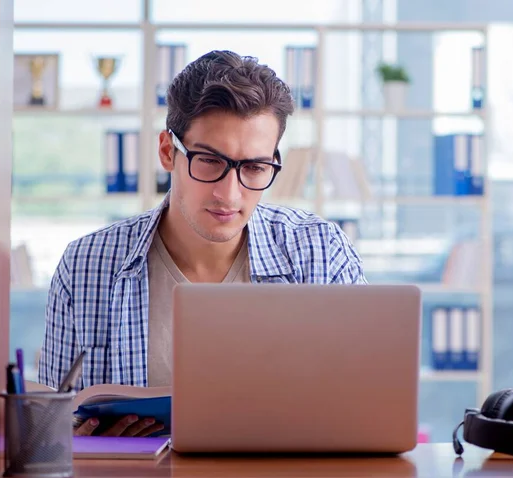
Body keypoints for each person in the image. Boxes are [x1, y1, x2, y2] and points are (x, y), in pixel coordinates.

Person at [38, 50, 367, 437]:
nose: (229, 194)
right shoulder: (85, 265)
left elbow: (364, 412)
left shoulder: (321, 253)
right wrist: (81, 445)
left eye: (255, 168)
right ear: (167, 152)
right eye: (210, 161)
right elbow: (47, 435)